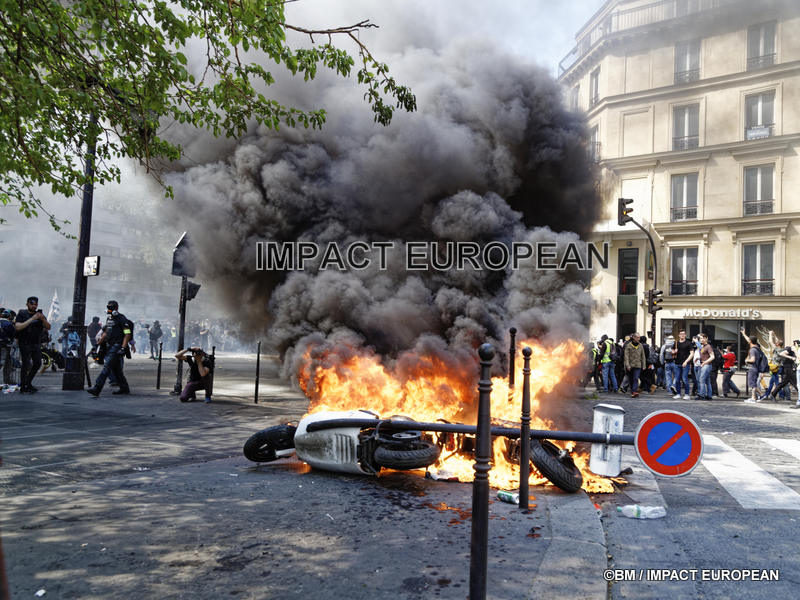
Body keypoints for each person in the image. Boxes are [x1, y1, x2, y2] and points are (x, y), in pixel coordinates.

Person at [87, 300, 133, 397]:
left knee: (107, 367)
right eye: (108, 307)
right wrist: (97, 344)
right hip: (109, 345)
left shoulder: (121, 318)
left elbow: (127, 333)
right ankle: (124, 388)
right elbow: (105, 333)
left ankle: (97, 388)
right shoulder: (109, 319)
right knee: (116, 370)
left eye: (111, 307)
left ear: (116, 308)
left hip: (117, 346)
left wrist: (123, 347)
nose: (110, 309)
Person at [14, 296, 51, 393]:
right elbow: (18, 327)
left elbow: (48, 327)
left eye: (35, 304)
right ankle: (23, 386)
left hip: (36, 343)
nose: (34, 306)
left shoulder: (40, 314)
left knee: (37, 363)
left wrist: (43, 319)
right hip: (25, 342)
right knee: (26, 364)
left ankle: (28, 382)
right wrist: (32, 319)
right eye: (32, 304)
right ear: (27, 304)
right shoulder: (22, 313)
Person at [742, 330, 765, 403]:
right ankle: (761, 395)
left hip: (753, 368)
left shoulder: (752, 350)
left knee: (752, 384)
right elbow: (749, 339)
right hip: (756, 368)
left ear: (750, 341)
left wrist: (746, 360)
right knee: (753, 383)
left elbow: (752, 360)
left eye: (749, 340)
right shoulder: (757, 348)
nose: (748, 341)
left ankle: (753, 398)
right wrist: (743, 334)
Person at [624, 332, 646, 398]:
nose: (639, 339)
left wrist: (644, 365)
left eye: (639, 337)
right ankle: (632, 391)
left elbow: (643, 356)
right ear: (634, 338)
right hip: (631, 365)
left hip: (638, 365)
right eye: (637, 337)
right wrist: (627, 365)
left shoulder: (640, 345)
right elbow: (626, 356)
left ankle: (634, 391)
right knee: (631, 379)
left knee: (636, 378)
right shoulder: (629, 346)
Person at [674, 330, 693, 400]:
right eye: (681, 334)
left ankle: (687, 394)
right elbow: (672, 352)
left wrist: (686, 361)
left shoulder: (688, 343)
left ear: (685, 335)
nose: (682, 335)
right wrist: (673, 351)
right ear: (679, 335)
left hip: (685, 364)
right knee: (677, 379)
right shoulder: (676, 343)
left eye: (683, 334)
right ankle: (678, 394)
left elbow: (692, 353)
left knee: (685, 379)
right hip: (677, 363)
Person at [696, 333, 714, 400]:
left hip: (706, 365)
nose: (701, 339)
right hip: (705, 365)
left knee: (701, 380)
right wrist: (698, 359)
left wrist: (704, 362)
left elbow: (713, 357)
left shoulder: (708, 346)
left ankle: (702, 395)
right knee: (707, 381)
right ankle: (709, 396)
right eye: (700, 338)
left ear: (706, 338)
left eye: (703, 338)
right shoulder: (703, 346)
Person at [0, 309, 16, 385]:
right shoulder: (9, 324)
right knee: (6, 363)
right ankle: (7, 381)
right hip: (5, 346)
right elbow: (13, 334)